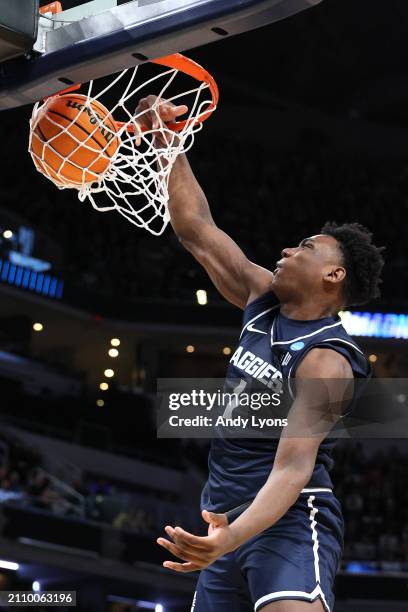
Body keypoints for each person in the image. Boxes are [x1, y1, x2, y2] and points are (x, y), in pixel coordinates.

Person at [135, 98, 385, 612]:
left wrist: (231, 539)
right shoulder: (261, 299)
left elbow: (293, 469)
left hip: (290, 517)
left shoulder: (328, 359)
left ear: (333, 276)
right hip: (224, 519)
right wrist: (167, 145)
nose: (289, 251)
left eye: (306, 248)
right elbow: (195, 229)